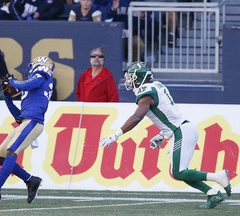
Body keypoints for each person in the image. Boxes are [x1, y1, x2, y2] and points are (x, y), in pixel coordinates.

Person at [99, 61, 232, 209]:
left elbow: (137, 117)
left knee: (179, 172)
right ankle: (212, 193)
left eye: (131, 77)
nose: (129, 80)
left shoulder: (146, 93)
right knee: (177, 172)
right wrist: (162, 134)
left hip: (180, 131)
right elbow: (168, 113)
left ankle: (217, 177)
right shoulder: (156, 85)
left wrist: (116, 135)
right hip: (182, 129)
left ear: (139, 78)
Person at [0, 56, 55, 203]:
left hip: (34, 122)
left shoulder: (42, 75)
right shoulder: (33, 87)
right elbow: (19, 116)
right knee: (0, 156)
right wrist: (7, 97)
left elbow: (29, 83)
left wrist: (13, 82)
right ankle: (31, 180)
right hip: (26, 122)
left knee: (12, 151)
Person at [0, 0, 64, 20]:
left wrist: (38, 16)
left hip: (20, 20)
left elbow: (51, 12)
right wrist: (20, 21)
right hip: (5, 15)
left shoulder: (45, 3)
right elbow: (12, 6)